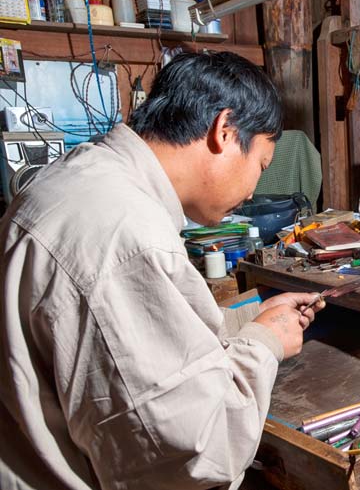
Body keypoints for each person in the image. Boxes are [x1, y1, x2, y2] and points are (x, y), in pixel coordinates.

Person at [0, 51, 326, 489]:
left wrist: (250, 320)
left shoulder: (81, 177)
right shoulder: (126, 233)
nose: (253, 192)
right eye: (261, 166)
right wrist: (264, 344)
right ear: (224, 131)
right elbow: (194, 453)